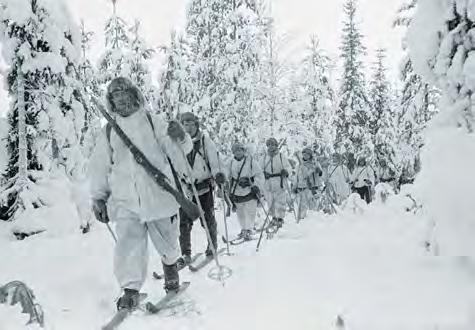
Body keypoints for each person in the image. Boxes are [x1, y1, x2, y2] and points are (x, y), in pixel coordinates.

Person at [89, 77, 192, 311]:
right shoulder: (109, 132)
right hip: (125, 200)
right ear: (111, 101)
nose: (121, 99)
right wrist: (98, 197)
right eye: (115, 96)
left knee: (167, 241)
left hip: (159, 196)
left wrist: (181, 136)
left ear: (135, 95)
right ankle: (130, 290)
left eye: (125, 93)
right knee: (128, 246)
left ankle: (171, 271)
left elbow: (179, 151)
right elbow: (99, 165)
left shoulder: (152, 121)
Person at [178, 112, 226, 263]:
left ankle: (212, 245)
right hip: (186, 189)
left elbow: (214, 160)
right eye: (184, 124)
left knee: (208, 218)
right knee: (184, 222)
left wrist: (218, 174)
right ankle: (185, 252)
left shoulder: (205, 141)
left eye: (190, 124)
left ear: (196, 124)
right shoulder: (177, 143)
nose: (187, 127)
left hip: (203, 186)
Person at [227, 142, 265, 240]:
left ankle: (249, 229)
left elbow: (259, 174)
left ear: (244, 151)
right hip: (237, 190)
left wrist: (256, 185)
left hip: (249, 189)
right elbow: (227, 175)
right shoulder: (230, 162)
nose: (238, 152)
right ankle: (243, 229)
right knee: (240, 212)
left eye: (240, 150)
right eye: (236, 151)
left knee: (250, 211)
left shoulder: (251, 161)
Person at [261, 138, 291, 229]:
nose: (271, 146)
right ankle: (274, 218)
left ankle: (280, 218)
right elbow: (259, 169)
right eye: (269, 145)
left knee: (280, 201)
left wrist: (286, 171)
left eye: (273, 144)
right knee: (270, 201)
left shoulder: (281, 156)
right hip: (268, 182)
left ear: (276, 146)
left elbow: (288, 167)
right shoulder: (264, 158)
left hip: (279, 181)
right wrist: (263, 174)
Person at [292, 147, 323, 220]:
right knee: (302, 207)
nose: (305, 156)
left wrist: (319, 171)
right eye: (304, 154)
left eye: (307, 154)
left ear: (310, 155)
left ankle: (314, 222)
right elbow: (296, 178)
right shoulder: (299, 166)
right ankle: (301, 222)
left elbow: (321, 174)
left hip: (313, 189)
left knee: (313, 207)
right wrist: (294, 187)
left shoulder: (315, 163)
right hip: (302, 188)